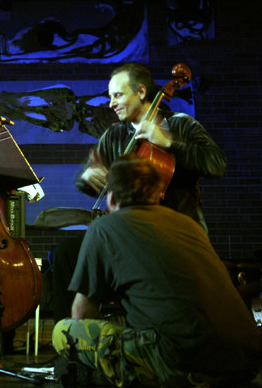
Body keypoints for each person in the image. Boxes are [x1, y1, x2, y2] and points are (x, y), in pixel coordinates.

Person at [52, 155, 261, 387]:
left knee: (64, 331)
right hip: (247, 360)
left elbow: (82, 314)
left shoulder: (103, 228)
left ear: (111, 197)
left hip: (182, 364)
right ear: (159, 194)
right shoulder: (188, 224)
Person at [51, 63, 227, 320]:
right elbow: (92, 183)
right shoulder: (114, 135)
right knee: (64, 255)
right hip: (129, 235)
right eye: (110, 96)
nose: (111, 103)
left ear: (141, 92)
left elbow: (217, 164)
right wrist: (90, 178)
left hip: (173, 234)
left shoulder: (180, 125)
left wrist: (167, 143)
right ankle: (73, 341)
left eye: (118, 95)